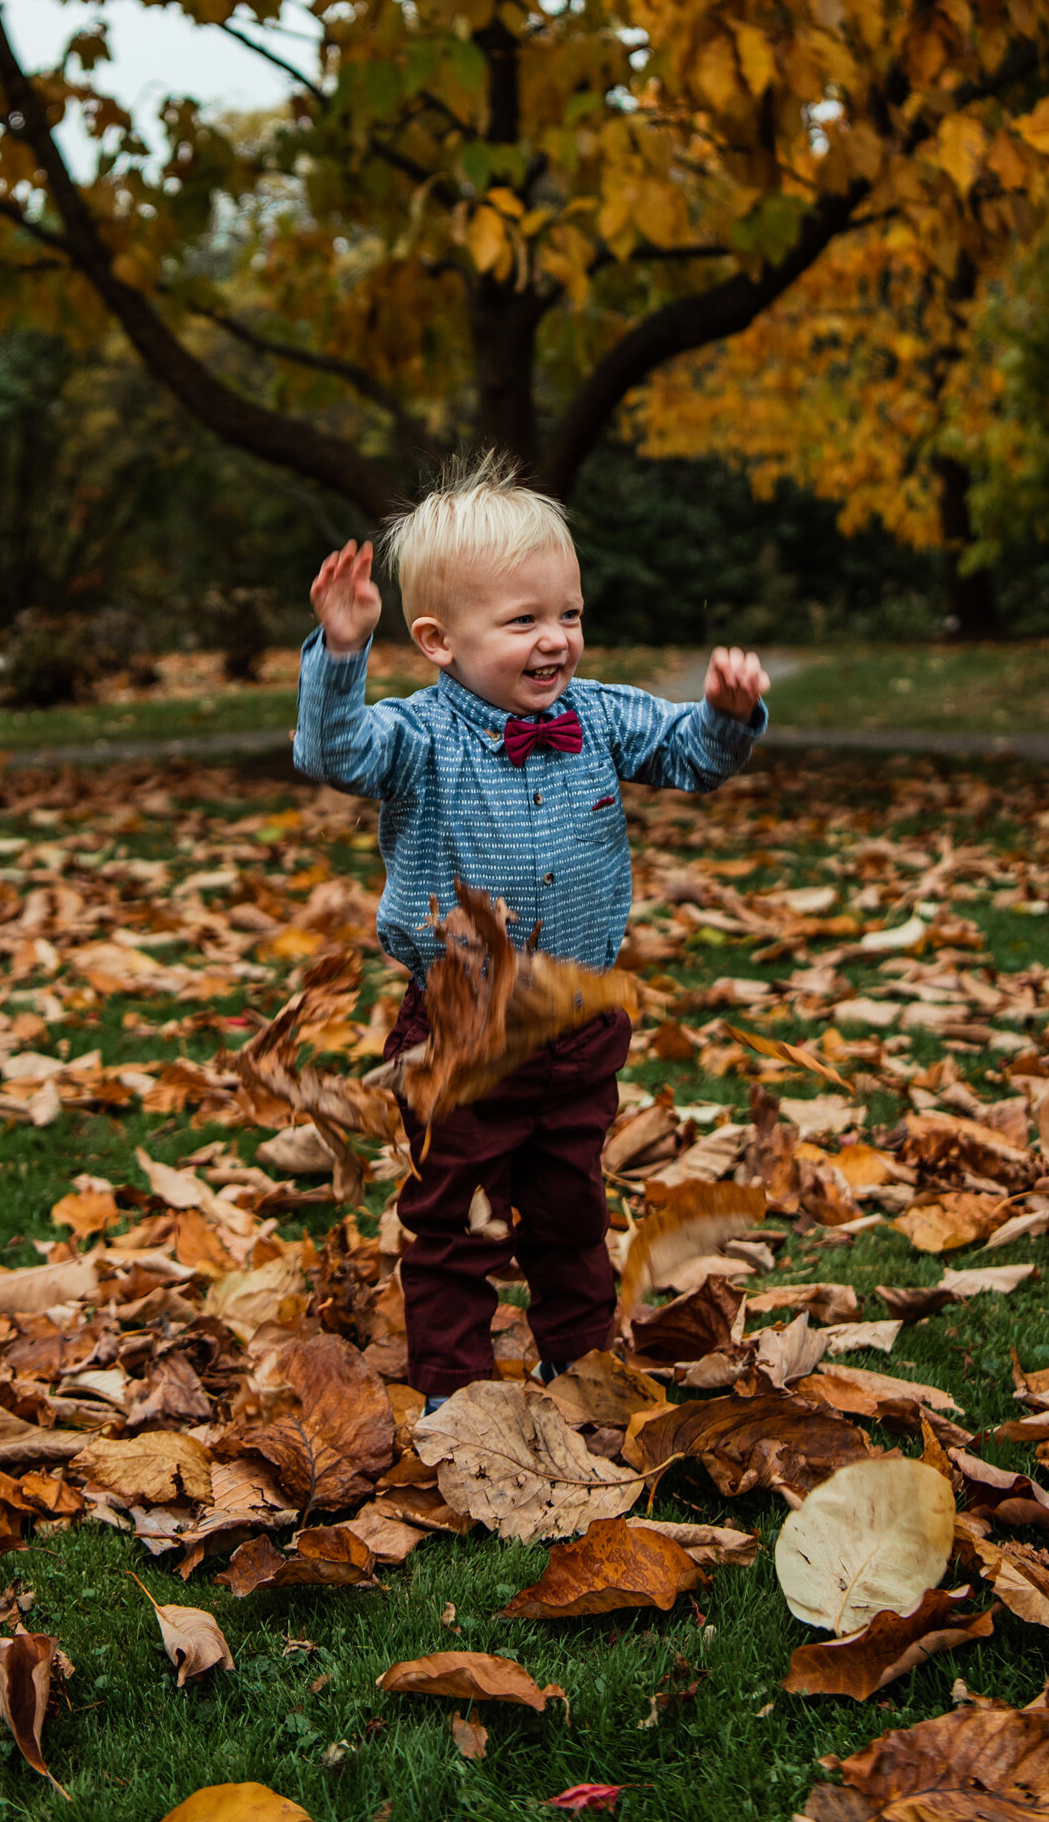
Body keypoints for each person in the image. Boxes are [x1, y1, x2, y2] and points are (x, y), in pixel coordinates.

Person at [294, 453, 769, 1408]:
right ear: (436, 639)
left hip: (578, 1028)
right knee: (450, 1221)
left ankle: (580, 1365)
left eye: (569, 615)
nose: (555, 641)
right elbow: (333, 751)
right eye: (523, 622)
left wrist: (728, 716)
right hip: (462, 1035)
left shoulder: (598, 717)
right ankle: (454, 1394)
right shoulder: (418, 738)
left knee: (568, 1210)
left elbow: (688, 755)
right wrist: (341, 656)